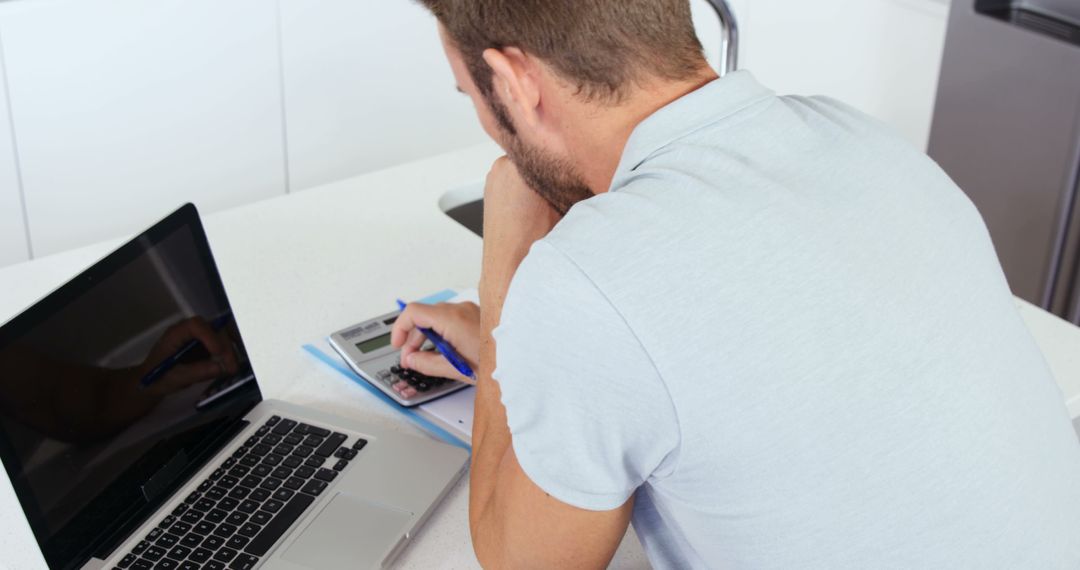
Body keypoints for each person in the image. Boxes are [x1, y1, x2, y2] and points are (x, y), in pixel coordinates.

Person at [390, 1, 1080, 567]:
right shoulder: (866, 140)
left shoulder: (584, 280)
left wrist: (506, 262)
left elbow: (521, 561)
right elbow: (757, 361)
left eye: (470, 95)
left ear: (514, 80)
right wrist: (521, 353)